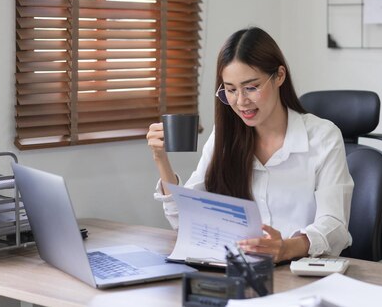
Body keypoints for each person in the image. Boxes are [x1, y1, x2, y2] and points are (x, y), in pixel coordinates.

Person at [147, 27, 353, 263]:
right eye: (231, 90)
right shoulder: (225, 137)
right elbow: (186, 219)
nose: (241, 101)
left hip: (301, 273)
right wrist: (160, 159)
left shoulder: (323, 137)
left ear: (279, 76)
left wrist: (286, 248)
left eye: (251, 87)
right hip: (240, 271)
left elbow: (335, 225)